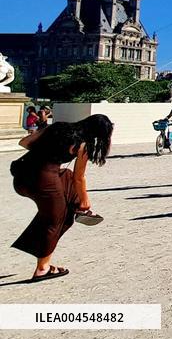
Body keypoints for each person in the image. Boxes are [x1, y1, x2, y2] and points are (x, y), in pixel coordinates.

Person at [10, 115, 113, 282]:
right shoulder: (83, 145)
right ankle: (43, 269)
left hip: (22, 177)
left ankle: (77, 207)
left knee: (66, 175)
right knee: (59, 219)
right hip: (43, 180)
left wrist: (47, 151)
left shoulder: (57, 127)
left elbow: (24, 142)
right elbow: (80, 178)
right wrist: (85, 199)